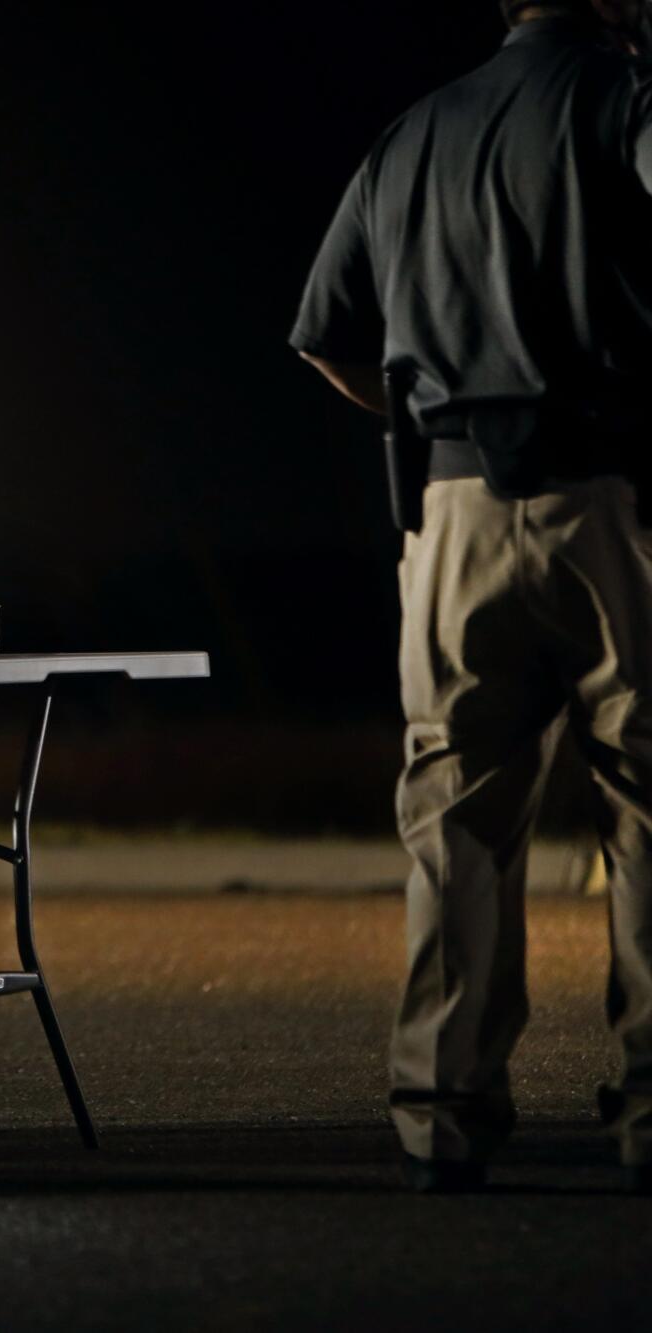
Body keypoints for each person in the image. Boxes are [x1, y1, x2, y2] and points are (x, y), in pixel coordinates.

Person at [293, 1, 652, 1193]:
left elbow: (325, 333)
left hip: (450, 509)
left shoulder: (409, 133)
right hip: (614, 496)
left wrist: (430, 416)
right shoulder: (625, 100)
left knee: (453, 811)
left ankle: (439, 1112)